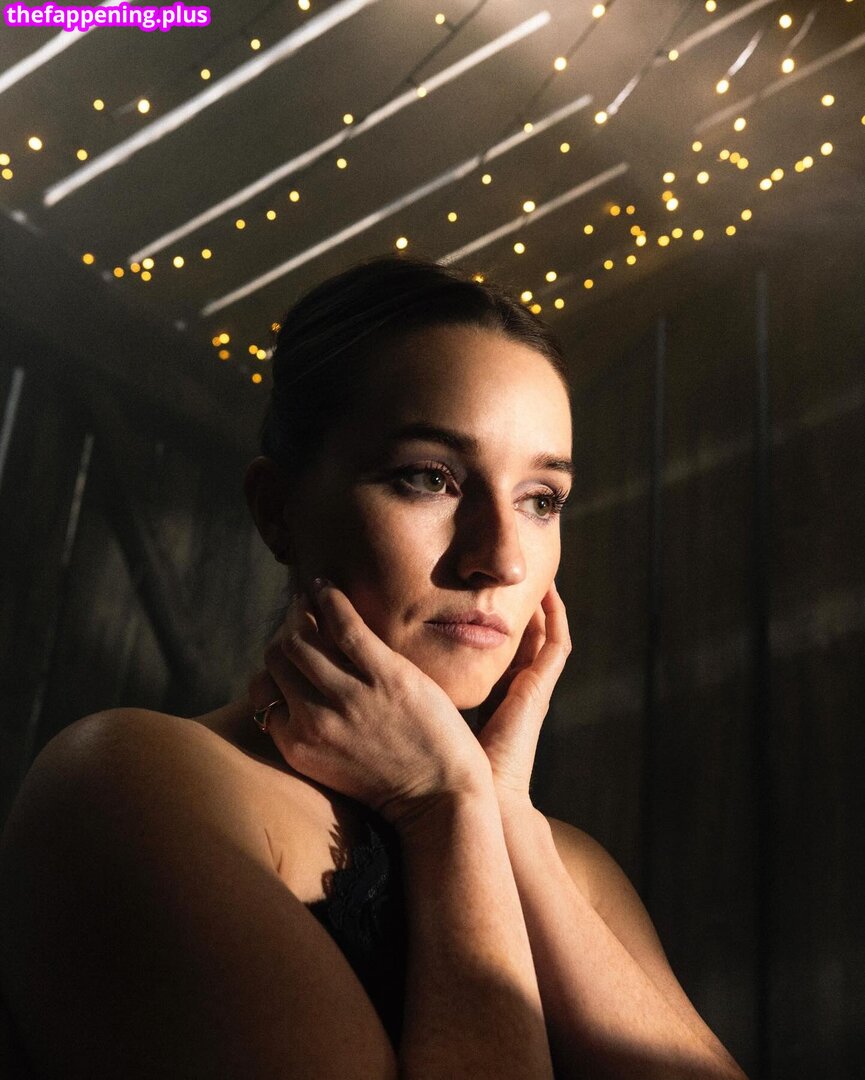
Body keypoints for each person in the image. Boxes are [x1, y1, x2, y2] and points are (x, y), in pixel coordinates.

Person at [0, 255, 747, 1079]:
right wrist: (442, 803)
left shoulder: (570, 866)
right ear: (279, 510)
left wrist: (493, 806)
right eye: (430, 478)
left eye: (541, 499)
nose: (501, 559)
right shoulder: (136, 784)